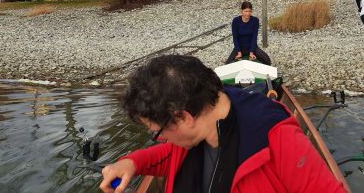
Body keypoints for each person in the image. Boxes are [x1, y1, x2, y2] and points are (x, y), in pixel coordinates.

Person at [99, 55, 347, 193]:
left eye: (158, 132)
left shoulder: (279, 140)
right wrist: (133, 162)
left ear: (184, 117)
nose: (161, 138)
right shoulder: (200, 127)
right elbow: (171, 153)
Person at [226, 1, 271, 65]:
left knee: (267, 60)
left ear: (251, 11)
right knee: (227, 64)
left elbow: (254, 37)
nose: (248, 13)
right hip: (239, 48)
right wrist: (238, 51)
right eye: (246, 11)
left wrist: (252, 52)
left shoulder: (255, 20)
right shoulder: (236, 21)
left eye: (249, 11)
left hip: (252, 47)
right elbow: (235, 38)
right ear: (241, 11)